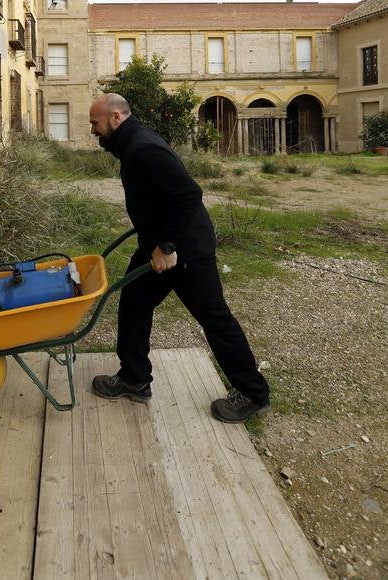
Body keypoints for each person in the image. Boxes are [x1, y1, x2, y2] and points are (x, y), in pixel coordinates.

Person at [89, 93, 270, 422]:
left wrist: (168, 245)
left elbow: (188, 194)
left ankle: (254, 394)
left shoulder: (142, 148)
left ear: (116, 118)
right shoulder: (132, 145)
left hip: (186, 251)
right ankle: (134, 377)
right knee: (134, 302)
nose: (93, 130)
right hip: (158, 244)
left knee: (215, 319)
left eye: (95, 123)